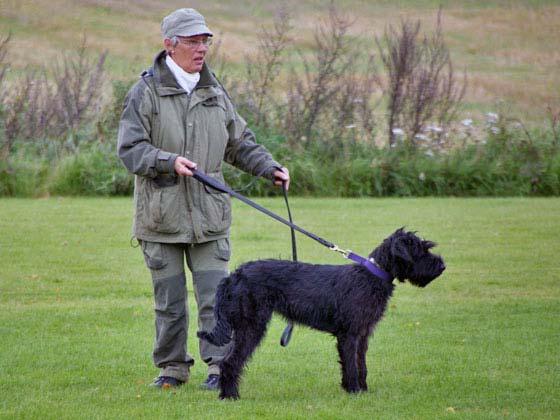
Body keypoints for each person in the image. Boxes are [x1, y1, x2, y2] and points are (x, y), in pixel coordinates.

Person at [117, 8, 289, 390]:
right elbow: (130, 150)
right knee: (170, 305)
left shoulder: (214, 91)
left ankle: (219, 369)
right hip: (161, 219)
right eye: (193, 41)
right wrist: (166, 160)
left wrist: (269, 167)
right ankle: (172, 370)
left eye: (205, 41)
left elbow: (239, 143)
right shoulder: (144, 92)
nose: (201, 49)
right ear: (169, 45)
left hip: (210, 219)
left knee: (217, 300)